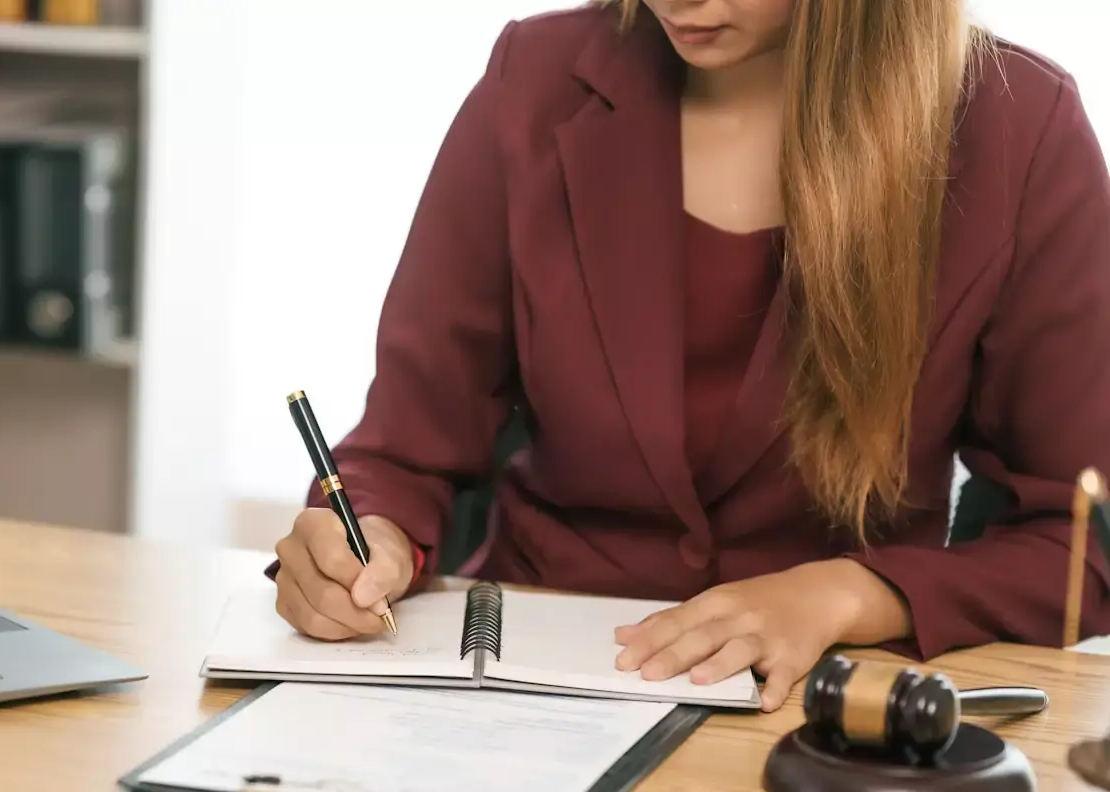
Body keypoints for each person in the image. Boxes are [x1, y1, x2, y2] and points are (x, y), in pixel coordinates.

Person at [271, 0, 1110, 711]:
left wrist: (853, 594)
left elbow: (1087, 544)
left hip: (823, 715)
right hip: (524, 693)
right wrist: (367, 532)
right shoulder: (533, 79)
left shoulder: (1016, 130)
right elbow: (406, 446)